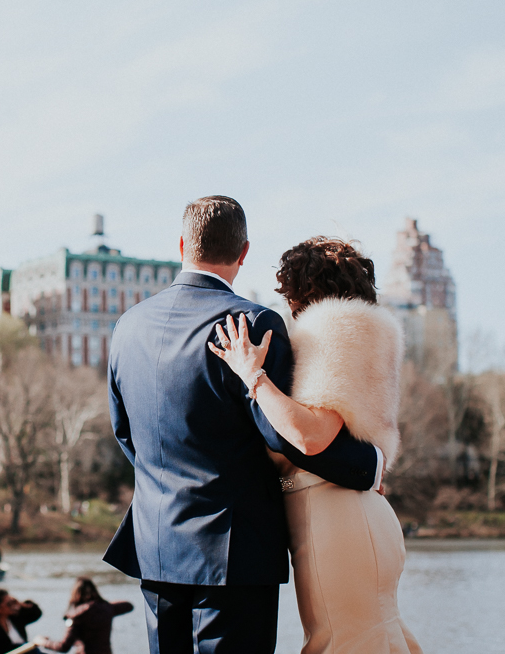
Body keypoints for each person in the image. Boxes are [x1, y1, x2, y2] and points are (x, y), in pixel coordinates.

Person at [103, 196, 384, 654]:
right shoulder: (251, 323)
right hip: (234, 551)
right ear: (244, 251)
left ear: (181, 245)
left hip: (156, 544)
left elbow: (124, 433)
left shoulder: (127, 326)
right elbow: (286, 438)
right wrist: (367, 465)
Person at [209, 236, 422, 654]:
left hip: (334, 517)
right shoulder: (366, 332)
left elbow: (311, 435)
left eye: (288, 294)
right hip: (357, 513)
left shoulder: (334, 329)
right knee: (375, 637)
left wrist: (253, 375)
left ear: (302, 290)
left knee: (340, 642)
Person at [34, 577, 133, 654]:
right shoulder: (108, 608)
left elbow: (63, 647)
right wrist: (101, 604)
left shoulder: (77, 616)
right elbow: (129, 605)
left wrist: (42, 642)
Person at [0, 588, 43, 654]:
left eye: (12, 602)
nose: (12, 606)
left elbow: (37, 613)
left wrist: (20, 604)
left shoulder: (15, 619)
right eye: (8, 604)